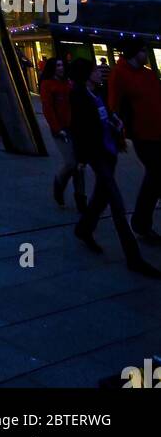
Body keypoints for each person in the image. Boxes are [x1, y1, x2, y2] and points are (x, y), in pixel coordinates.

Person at [69, 59, 161, 277]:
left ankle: (83, 229)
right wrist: (81, 158)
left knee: (101, 197)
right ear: (86, 75)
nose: (99, 73)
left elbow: (103, 116)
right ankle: (133, 258)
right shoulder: (79, 97)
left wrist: (114, 122)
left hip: (109, 152)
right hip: (97, 155)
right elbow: (80, 130)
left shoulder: (96, 93)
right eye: (95, 70)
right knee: (117, 206)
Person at [108, 38, 161, 245]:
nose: (145, 54)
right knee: (155, 174)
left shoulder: (148, 74)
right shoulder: (119, 74)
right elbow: (114, 106)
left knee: (156, 177)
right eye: (142, 51)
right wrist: (119, 137)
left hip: (158, 133)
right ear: (132, 52)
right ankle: (141, 223)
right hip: (143, 135)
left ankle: (142, 222)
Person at [39, 56, 87, 213]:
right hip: (61, 129)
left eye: (62, 65)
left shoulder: (69, 83)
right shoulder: (47, 85)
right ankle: (59, 184)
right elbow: (48, 108)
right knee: (71, 163)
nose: (61, 68)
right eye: (58, 65)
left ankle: (81, 199)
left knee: (79, 166)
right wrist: (56, 127)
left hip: (75, 128)